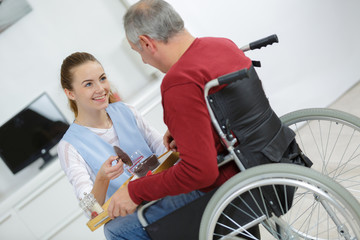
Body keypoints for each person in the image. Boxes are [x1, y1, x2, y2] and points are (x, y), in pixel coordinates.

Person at [105, 0, 312, 239]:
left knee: (117, 229)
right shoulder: (222, 45)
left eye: (138, 52)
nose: (143, 60)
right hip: (277, 162)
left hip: (236, 188)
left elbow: (200, 173)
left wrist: (134, 191)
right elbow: (235, 114)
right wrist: (188, 133)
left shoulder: (178, 82)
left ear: (146, 42)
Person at [57, 52, 167, 208]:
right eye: (88, 84)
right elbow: (91, 211)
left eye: (102, 78)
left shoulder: (127, 110)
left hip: (164, 190)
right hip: (137, 212)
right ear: (70, 93)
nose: (101, 89)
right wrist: (102, 179)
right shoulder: (69, 147)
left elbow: (162, 148)